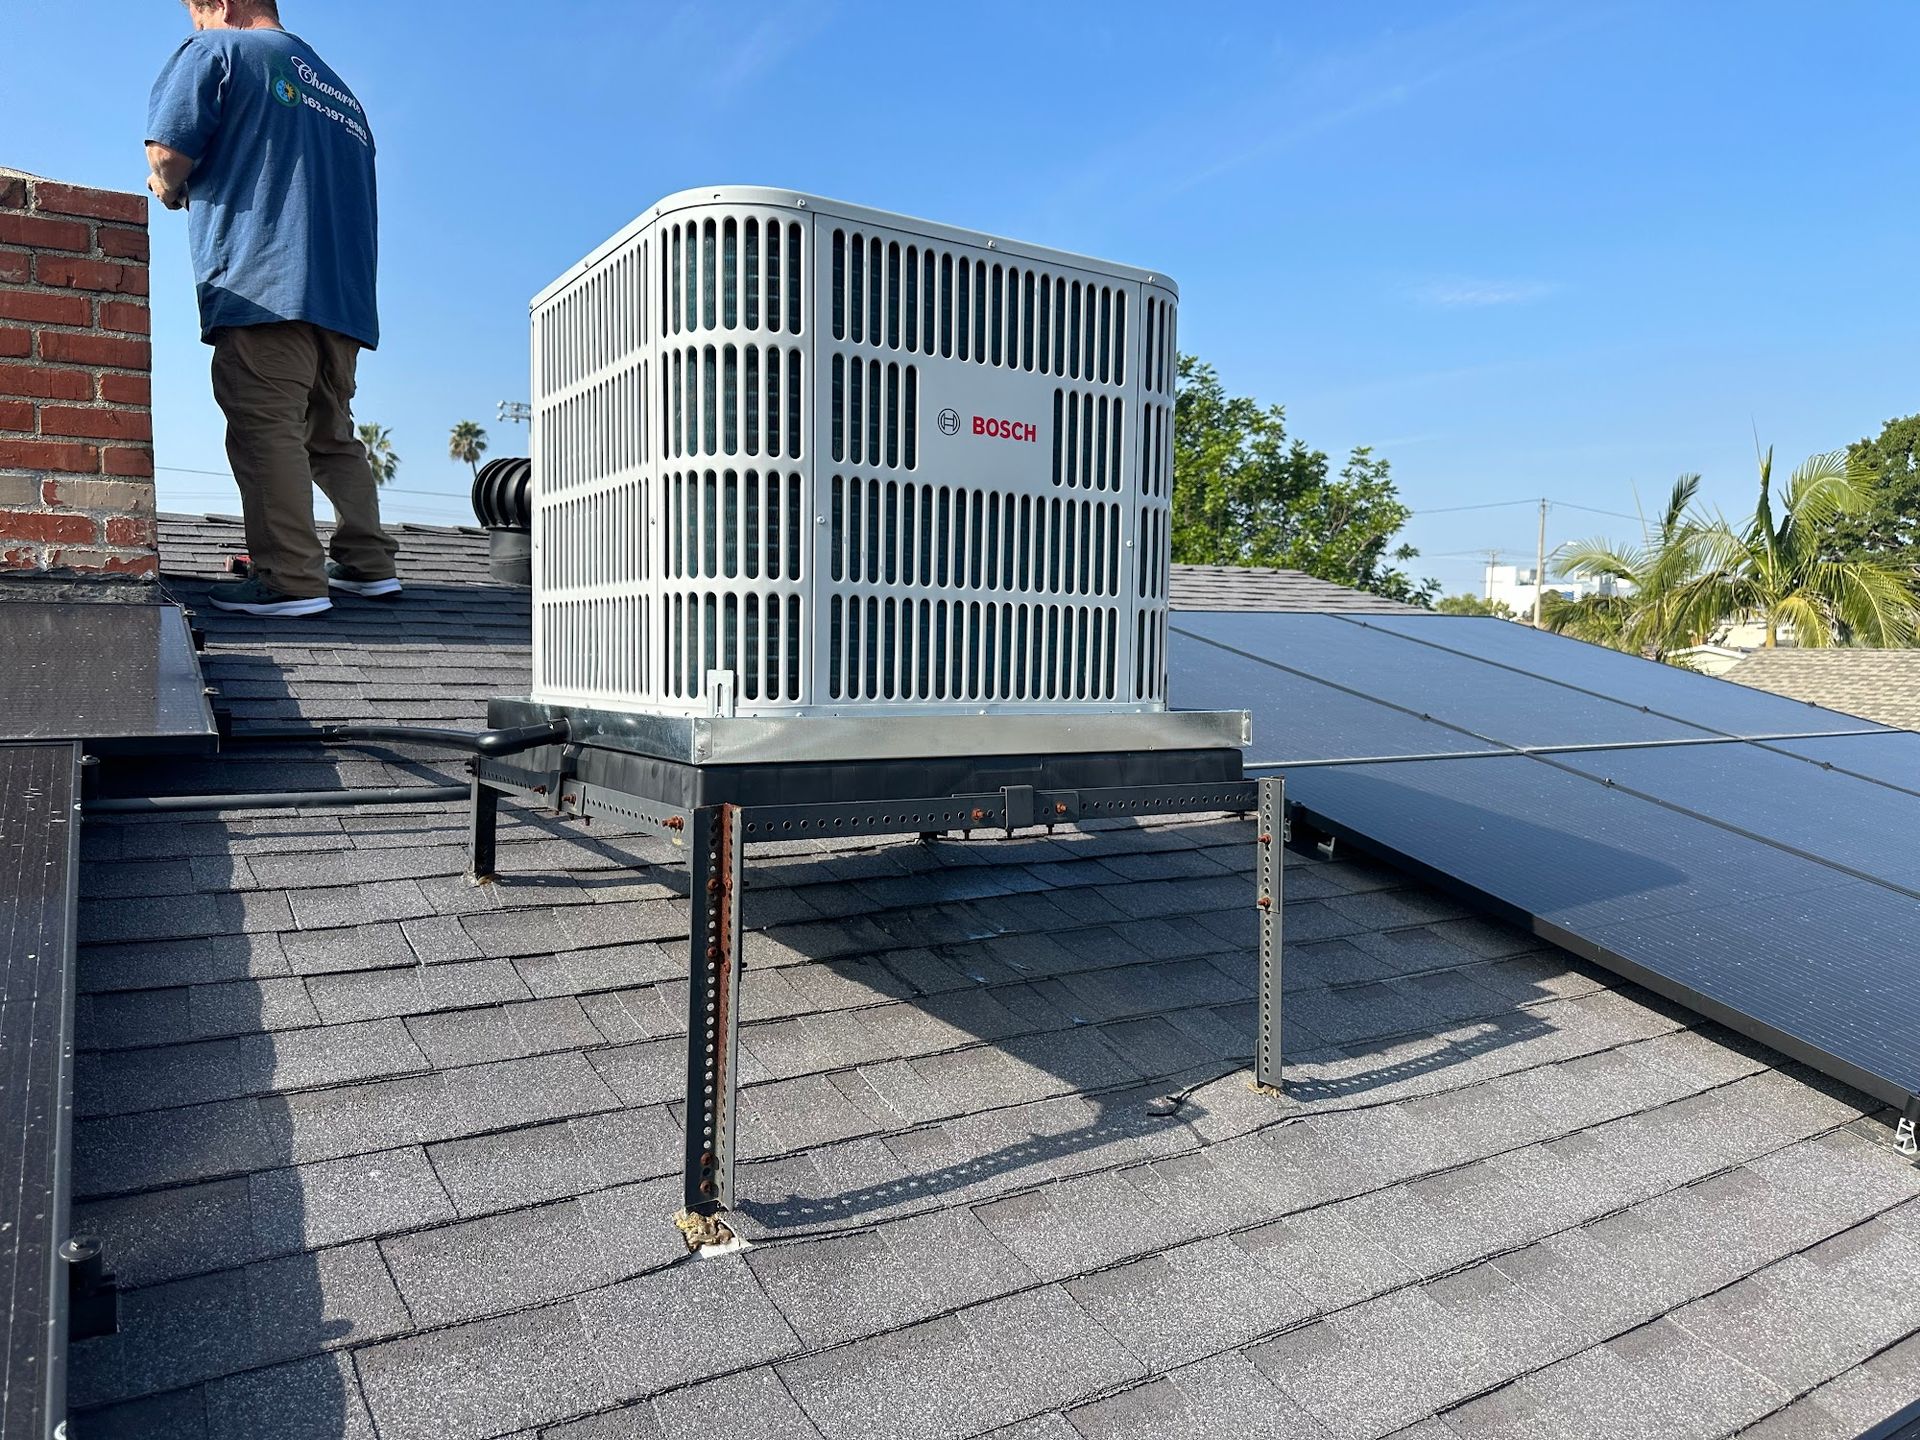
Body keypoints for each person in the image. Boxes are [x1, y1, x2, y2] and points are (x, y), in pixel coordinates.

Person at [146, 0, 400, 617]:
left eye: (195, 13)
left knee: (265, 427)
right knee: (331, 432)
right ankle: (368, 564)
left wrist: (169, 189)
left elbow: (166, 157)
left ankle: (290, 578)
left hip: (262, 282)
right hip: (342, 297)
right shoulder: (340, 92)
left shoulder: (215, 52)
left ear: (222, 5)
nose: (193, 27)